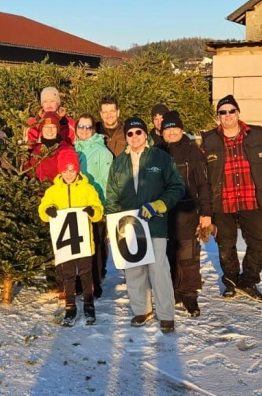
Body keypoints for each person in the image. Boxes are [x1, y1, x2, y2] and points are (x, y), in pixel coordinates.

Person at [201, 95, 262, 302]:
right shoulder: (209, 139)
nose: (227, 115)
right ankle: (230, 282)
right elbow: (200, 169)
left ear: (238, 112)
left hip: (251, 199)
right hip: (222, 202)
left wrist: (261, 173)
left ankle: (248, 281)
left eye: (231, 111)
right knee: (226, 245)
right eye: (223, 112)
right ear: (218, 116)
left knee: (260, 240)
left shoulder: (255, 135)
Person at [106, 117, 184, 334]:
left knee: (159, 270)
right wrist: (114, 222)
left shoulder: (160, 158)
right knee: (134, 270)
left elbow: (176, 186)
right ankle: (142, 310)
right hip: (129, 226)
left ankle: (166, 314)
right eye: (129, 134)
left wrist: (160, 204)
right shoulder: (119, 162)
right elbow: (111, 195)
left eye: (138, 132)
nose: (134, 137)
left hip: (155, 223)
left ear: (145, 134)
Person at [38, 149, 104, 326]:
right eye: (65, 171)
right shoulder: (53, 191)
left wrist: (93, 211)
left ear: (77, 170)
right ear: (60, 171)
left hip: (83, 242)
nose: (69, 174)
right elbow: (43, 210)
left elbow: (98, 209)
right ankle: (70, 306)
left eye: (72, 170)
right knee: (67, 275)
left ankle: (89, 305)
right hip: (64, 242)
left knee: (86, 273)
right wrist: (48, 210)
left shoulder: (87, 188)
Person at [158, 110, 212, 317]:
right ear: (162, 132)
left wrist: (206, 212)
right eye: (167, 129)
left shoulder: (193, 151)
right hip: (162, 214)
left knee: (188, 255)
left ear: (181, 130)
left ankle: (189, 293)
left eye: (175, 128)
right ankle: (172, 291)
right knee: (167, 254)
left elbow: (203, 184)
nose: (171, 133)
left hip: (187, 211)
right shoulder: (156, 152)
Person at [74, 113, 113, 297]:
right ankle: (81, 281)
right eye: (81, 127)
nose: (84, 130)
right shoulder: (73, 148)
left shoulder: (102, 152)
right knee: (81, 245)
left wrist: (104, 208)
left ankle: (95, 283)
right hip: (76, 206)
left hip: (95, 206)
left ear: (93, 129)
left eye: (88, 127)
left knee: (95, 245)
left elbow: (107, 181)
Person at [27, 112, 75, 182]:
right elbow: (29, 172)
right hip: (38, 191)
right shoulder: (36, 150)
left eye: (53, 127)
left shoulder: (66, 149)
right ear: (42, 130)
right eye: (46, 127)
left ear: (58, 129)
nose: (49, 130)